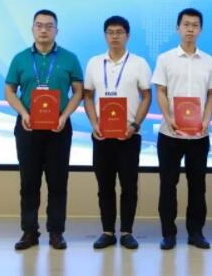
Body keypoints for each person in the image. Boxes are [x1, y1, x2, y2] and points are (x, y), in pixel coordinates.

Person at [5, 9, 83, 250]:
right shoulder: (20, 59)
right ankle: (29, 232)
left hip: (59, 127)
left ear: (57, 30)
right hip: (28, 126)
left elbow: (78, 91)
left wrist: (65, 115)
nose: (44, 30)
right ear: (32, 29)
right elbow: (9, 90)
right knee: (29, 182)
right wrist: (24, 113)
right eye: (39, 25)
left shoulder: (70, 58)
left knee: (58, 182)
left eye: (49, 26)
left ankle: (56, 232)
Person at [152, 8, 212, 250]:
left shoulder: (209, 61)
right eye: (186, 24)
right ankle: (168, 234)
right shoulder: (165, 59)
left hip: (199, 135)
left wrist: (207, 120)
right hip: (170, 134)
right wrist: (168, 117)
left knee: (197, 186)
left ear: (201, 29)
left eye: (195, 25)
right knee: (168, 185)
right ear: (177, 28)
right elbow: (160, 91)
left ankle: (196, 233)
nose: (190, 29)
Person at [83, 16, 152, 250]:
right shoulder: (94, 63)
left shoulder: (139, 63)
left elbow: (147, 96)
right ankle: (107, 231)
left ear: (128, 36)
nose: (115, 36)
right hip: (102, 135)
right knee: (104, 186)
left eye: (119, 32)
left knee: (129, 186)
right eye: (110, 32)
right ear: (105, 35)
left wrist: (135, 126)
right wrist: (94, 123)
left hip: (129, 136)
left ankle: (127, 232)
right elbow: (87, 96)